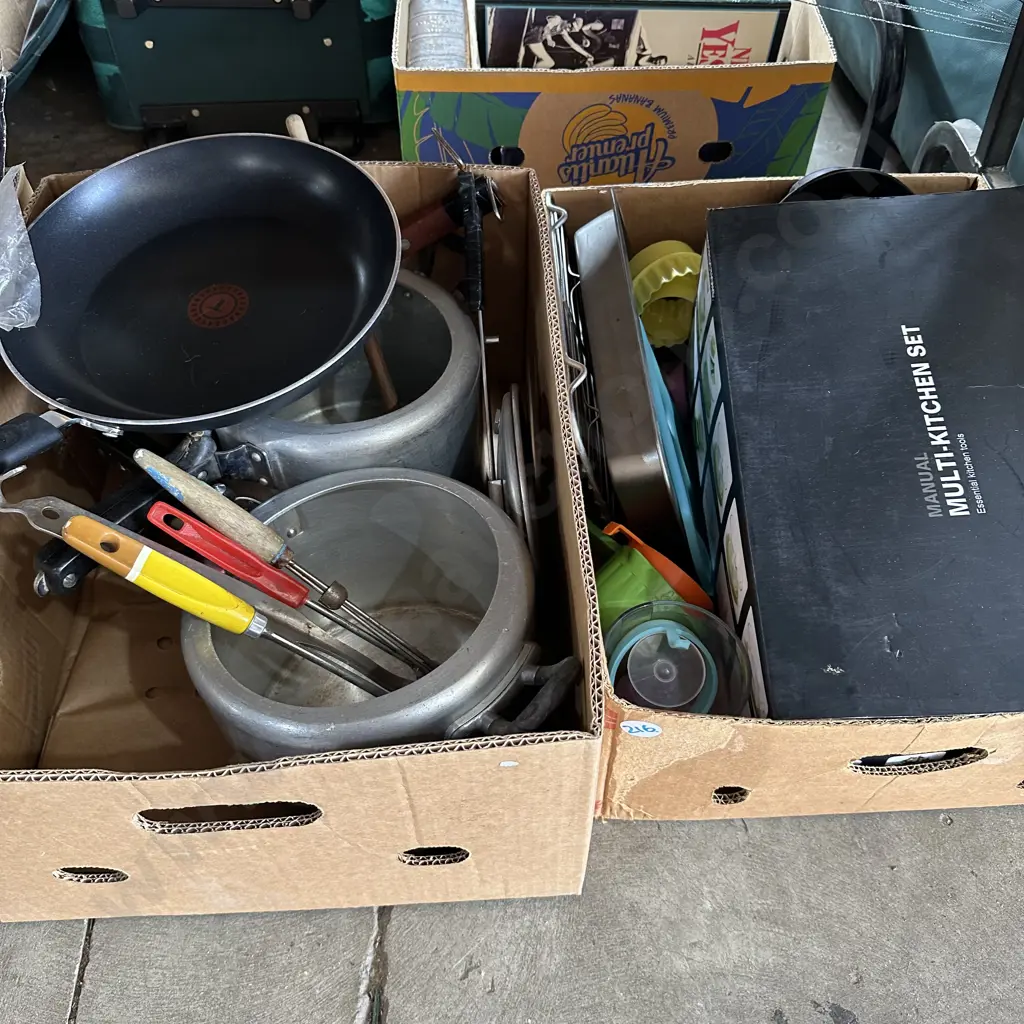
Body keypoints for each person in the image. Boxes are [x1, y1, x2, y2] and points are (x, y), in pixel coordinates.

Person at [523, 14, 593, 68]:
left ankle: (533, 76)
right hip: (534, 35)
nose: (568, 29)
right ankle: (531, 77)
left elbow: (573, 45)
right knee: (549, 62)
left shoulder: (563, 31)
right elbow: (547, 27)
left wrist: (588, 55)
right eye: (570, 26)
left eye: (571, 30)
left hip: (537, 39)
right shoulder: (557, 19)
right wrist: (549, 40)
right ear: (569, 20)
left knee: (550, 63)